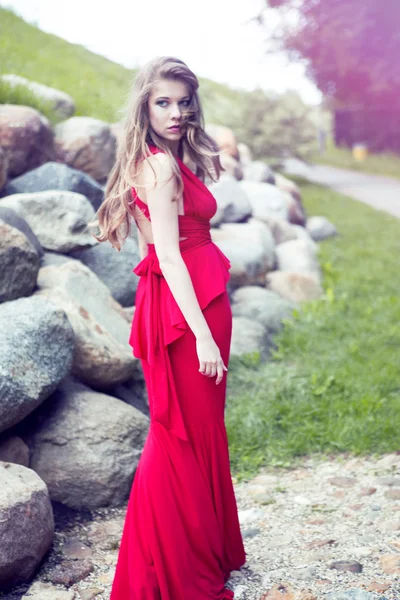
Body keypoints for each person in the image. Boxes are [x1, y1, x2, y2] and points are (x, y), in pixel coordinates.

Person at [89, 56, 246, 599]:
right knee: (177, 431)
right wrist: (199, 332)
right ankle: (167, 568)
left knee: (195, 427)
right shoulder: (158, 166)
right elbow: (169, 255)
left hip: (182, 299)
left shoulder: (162, 159)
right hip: (188, 307)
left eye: (183, 101)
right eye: (163, 102)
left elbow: (148, 249)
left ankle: (204, 549)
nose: (176, 112)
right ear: (145, 107)